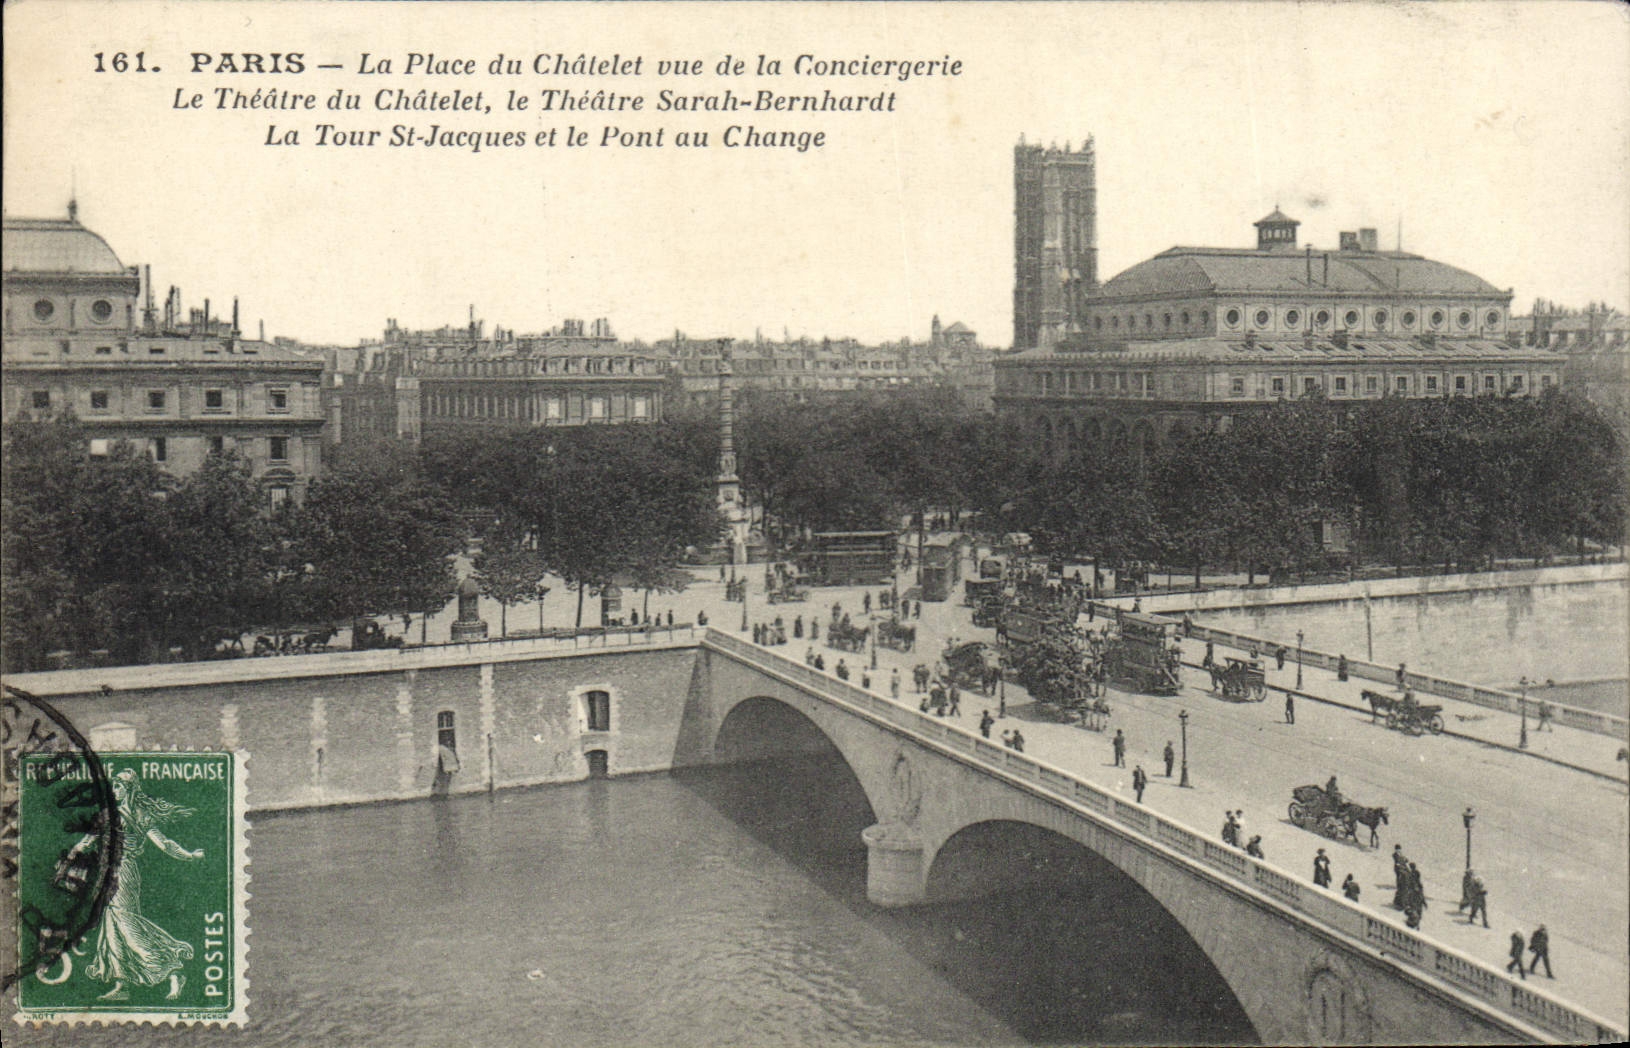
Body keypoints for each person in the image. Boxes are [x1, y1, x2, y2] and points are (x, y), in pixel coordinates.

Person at [79, 770, 204, 1001]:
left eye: (119, 786)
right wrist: (74, 852)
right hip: (108, 872)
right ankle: (122, 985)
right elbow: (88, 840)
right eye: (113, 786)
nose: (114, 791)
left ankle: (172, 970)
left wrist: (189, 855)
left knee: (126, 924)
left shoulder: (139, 815)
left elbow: (164, 843)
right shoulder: (108, 814)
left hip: (124, 871)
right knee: (113, 926)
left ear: (130, 790)